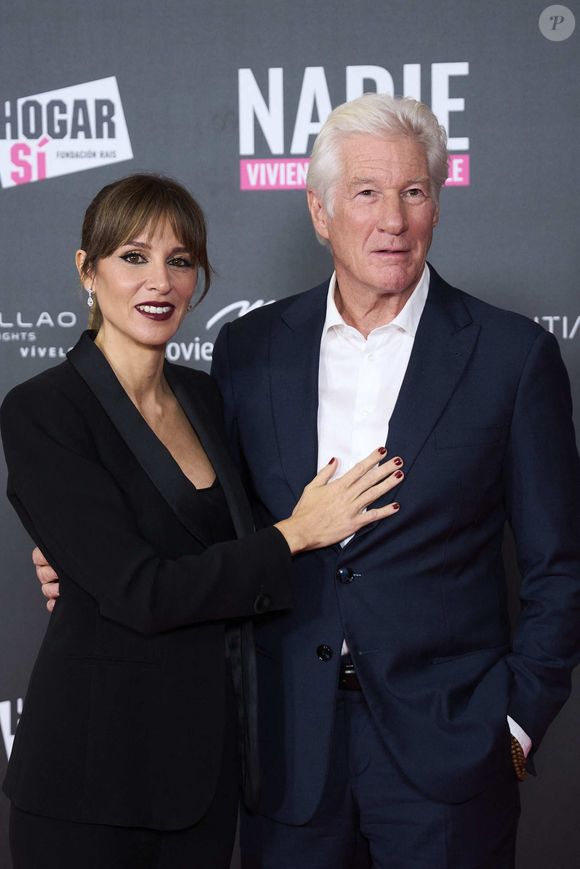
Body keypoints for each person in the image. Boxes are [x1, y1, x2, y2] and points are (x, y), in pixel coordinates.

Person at [207, 94, 580, 868]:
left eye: (414, 192)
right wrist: (100, 562)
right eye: (367, 192)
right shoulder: (249, 349)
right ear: (320, 211)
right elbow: (218, 525)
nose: (394, 219)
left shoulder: (511, 357)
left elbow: (559, 562)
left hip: (450, 748)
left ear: (437, 206)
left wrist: (514, 723)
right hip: (287, 747)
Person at [1, 173, 404, 869]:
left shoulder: (205, 395)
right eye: (133, 256)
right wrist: (297, 532)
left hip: (204, 775)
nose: (158, 281)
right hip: (93, 781)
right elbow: (142, 590)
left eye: (179, 260)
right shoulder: (43, 410)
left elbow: (226, 558)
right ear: (86, 269)